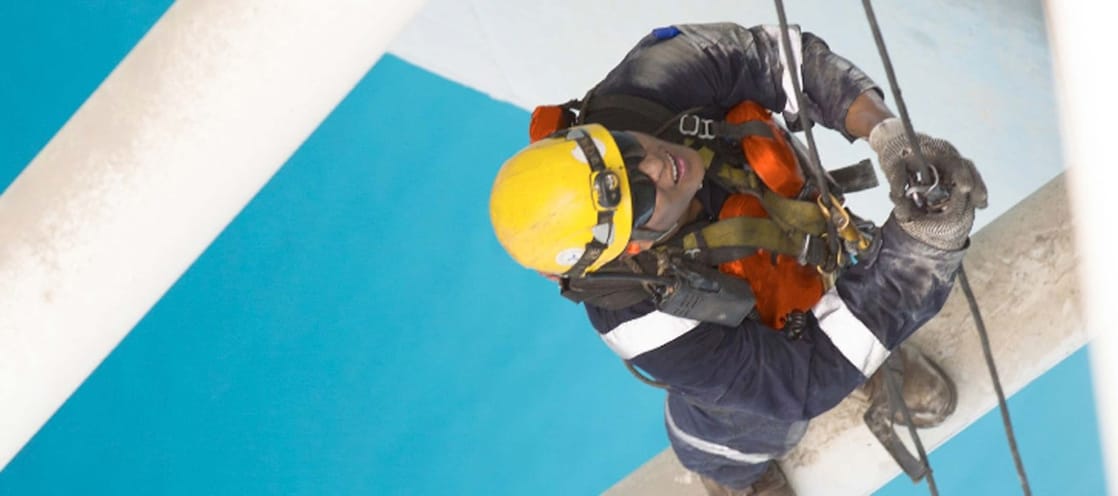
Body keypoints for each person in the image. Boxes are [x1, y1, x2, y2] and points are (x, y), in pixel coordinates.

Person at [488, 23, 986, 495]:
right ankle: (728, 472)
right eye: (640, 193)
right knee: (753, 418)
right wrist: (927, 246)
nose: (658, 164)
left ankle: (862, 338)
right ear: (632, 247)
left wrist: (887, 134)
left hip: (798, 243)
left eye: (624, 150)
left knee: (833, 273)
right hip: (748, 333)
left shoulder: (647, 84)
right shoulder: (642, 320)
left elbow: (780, 59)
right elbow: (802, 379)